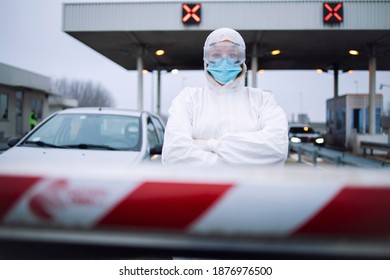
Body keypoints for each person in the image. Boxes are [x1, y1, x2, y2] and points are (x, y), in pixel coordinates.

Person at [162, 28, 289, 167]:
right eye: (216, 54)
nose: (224, 60)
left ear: (241, 60)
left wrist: (210, 145)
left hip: (253, 190)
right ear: (206, 59)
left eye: (232, 55)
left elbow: (276, 148)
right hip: (201, 189)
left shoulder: (262, 100)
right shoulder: (188, 99)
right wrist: (242, 163)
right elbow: (174, 154)